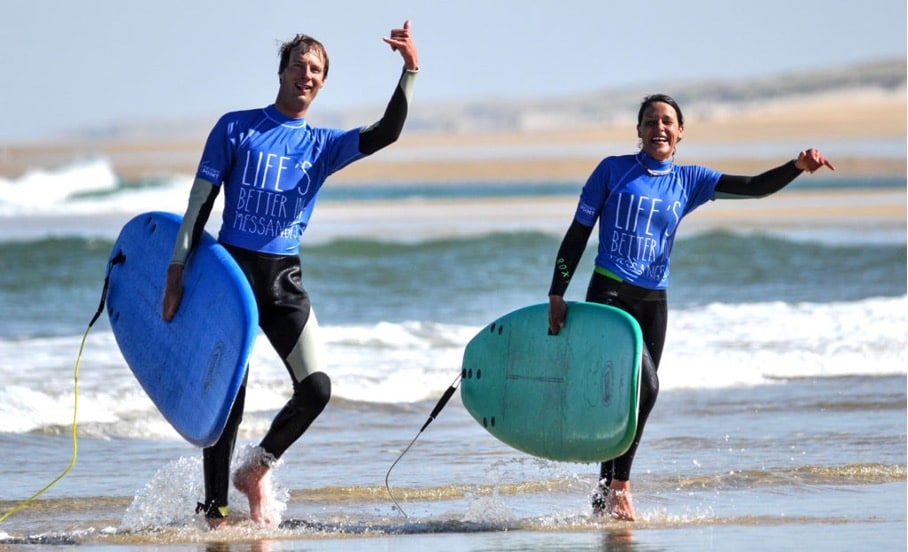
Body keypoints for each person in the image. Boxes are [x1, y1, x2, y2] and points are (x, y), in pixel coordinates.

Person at [161, 21, 419, 528]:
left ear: (323, 84)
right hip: (229, 275)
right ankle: (215, 514)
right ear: (281, 71)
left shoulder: (324, 144)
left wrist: (410, 69)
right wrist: (176, 269)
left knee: (317, 388)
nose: (307, 73)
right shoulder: (235, 127)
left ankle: (256, 469)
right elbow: (199, 204)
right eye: (299, 64)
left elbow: (386, 132)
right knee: (227, 399)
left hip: (283, 278)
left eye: (317, 69)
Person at [546, 93, 834, 522]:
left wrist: (795, 167)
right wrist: (557, 292)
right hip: (609, 293)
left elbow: (754, 188)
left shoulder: (689, 181)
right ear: (638, 130)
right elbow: (577, 233)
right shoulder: (612, 170)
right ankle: (620, 487)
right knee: (642, 388)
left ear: (680, 132)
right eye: (650, 121)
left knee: (634, 398)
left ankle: (606, 492)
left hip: (653, 301)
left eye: (667, 121)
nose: (658, 128)